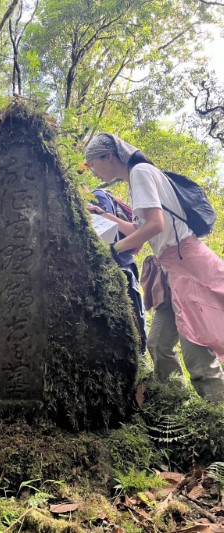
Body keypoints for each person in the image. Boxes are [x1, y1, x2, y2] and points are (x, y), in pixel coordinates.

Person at [85, 133, 224, 403]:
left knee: (197, 356)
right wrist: (103, 215)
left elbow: (155, 226)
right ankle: (179, 408)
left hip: (189, 267)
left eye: (92, 163)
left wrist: (111, 250)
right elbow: (140, 231)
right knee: (159, 344)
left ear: (108, 157)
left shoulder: (140, 173)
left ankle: (218, 422)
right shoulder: (135, 179)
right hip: (171, 271)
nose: (92, 170)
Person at [86, 187, 147, 355]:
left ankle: (139, 357)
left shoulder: (98, 196)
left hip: (120, 262)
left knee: (131, 313)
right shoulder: (100, 196)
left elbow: (108, 232)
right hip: (124, 262)